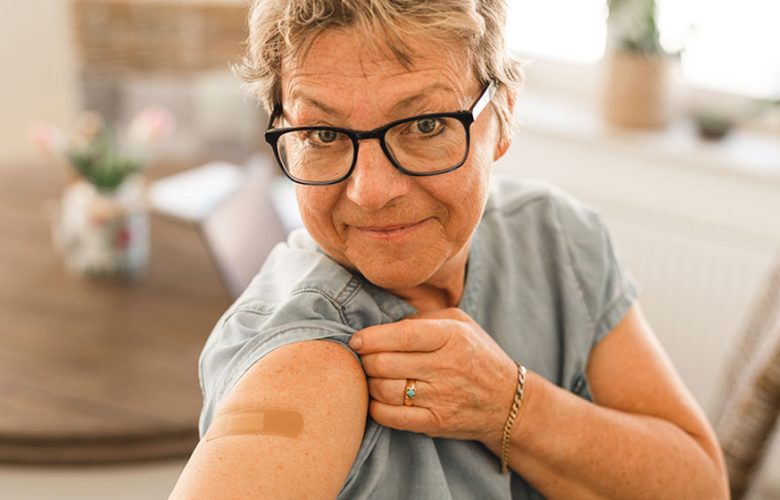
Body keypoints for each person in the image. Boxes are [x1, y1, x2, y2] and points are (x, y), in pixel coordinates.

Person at [170, 1, 729, 498]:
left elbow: (701, 484)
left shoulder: (555, 238)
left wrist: (510, 405)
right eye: (323, 135)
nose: (371, 192)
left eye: (426, 123)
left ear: (502, 117)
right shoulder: (305, 362)